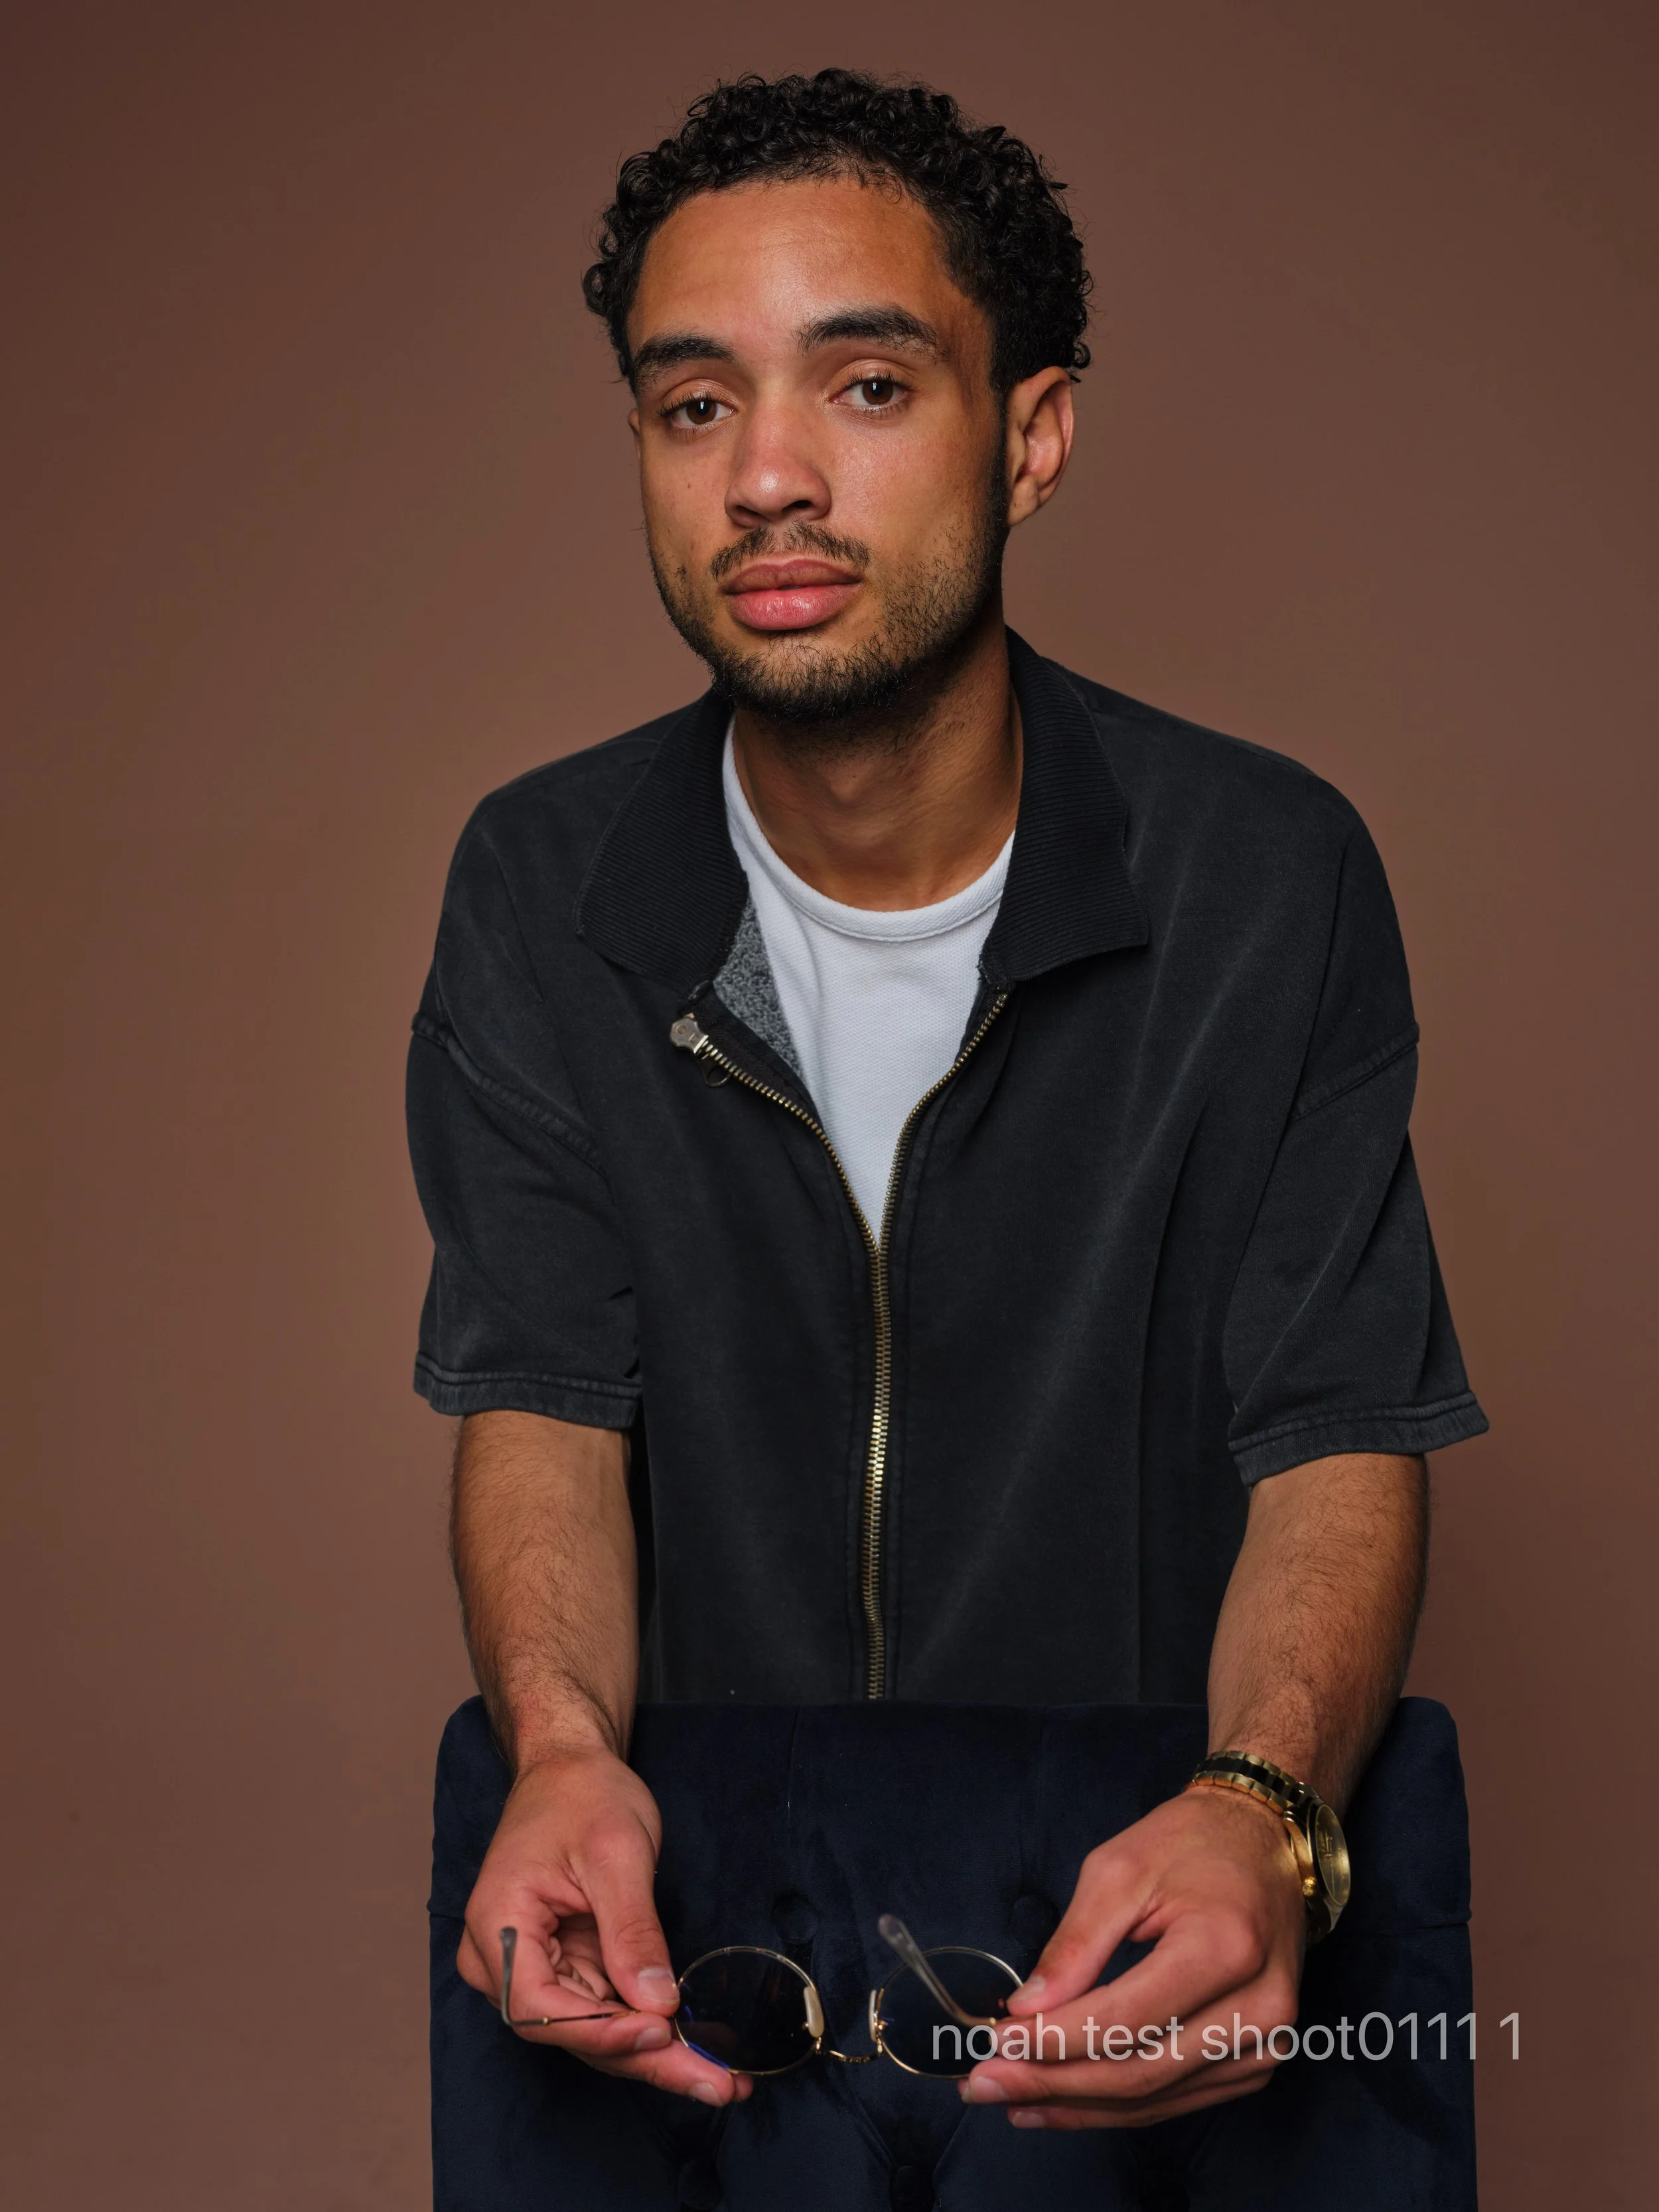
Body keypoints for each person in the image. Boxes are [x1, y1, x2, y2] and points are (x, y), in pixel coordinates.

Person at [407, 66, 1486, 2150]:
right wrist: (555, 1750)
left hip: (1138, 1910)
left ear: (1032, 435)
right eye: (692, 402)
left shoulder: (1263, 876)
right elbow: (541, 1392)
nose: (765, 477)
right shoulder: (540, 884)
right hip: (706, 1931)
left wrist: (1262, 1803)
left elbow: (1334, 1424)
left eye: (869, 386)